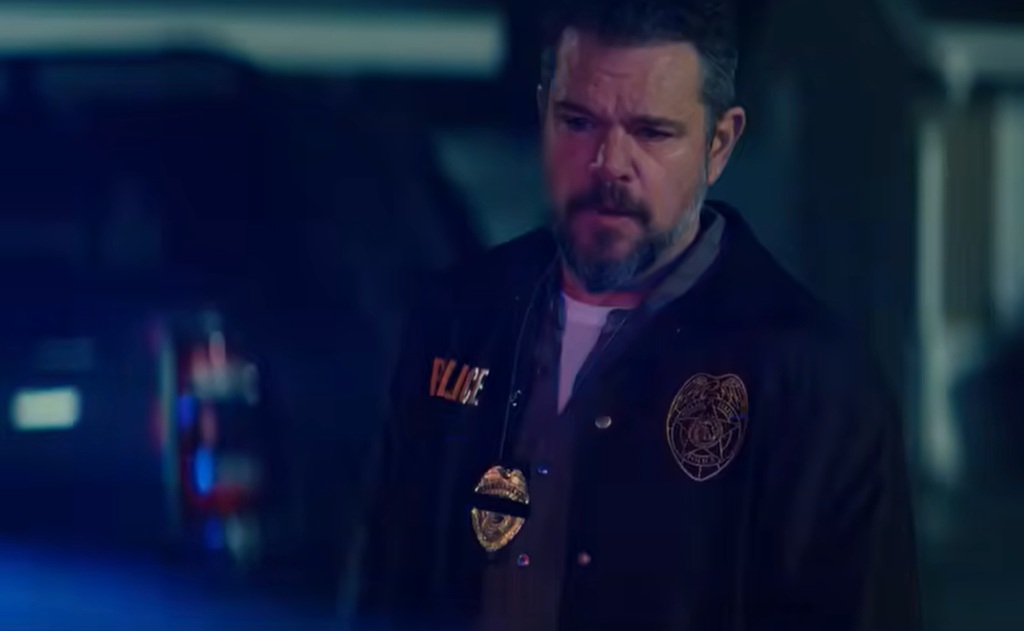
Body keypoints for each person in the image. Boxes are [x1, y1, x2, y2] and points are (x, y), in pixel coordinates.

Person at [354, 0, 920, 629]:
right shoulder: (456, 319)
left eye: (652, 133)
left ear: (719, 144)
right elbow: (389, 587)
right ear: (543, 113)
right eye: (578, 122)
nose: (609, 165)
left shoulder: (816, 387)